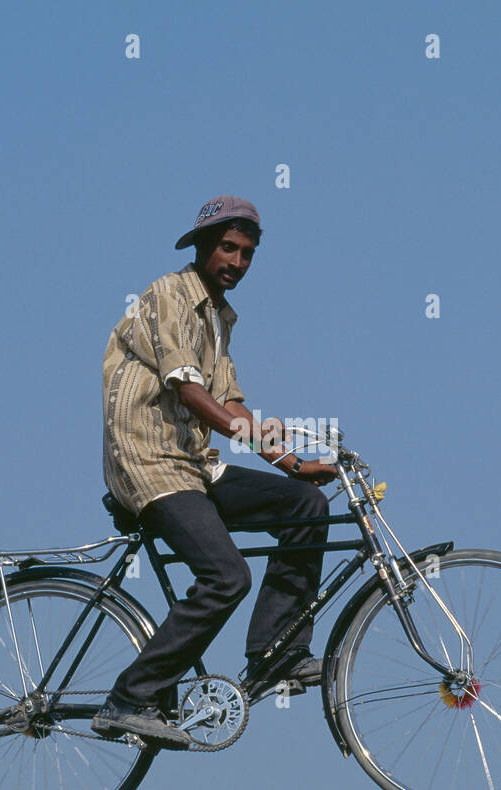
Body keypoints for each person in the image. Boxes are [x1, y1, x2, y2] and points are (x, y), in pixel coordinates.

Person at [93, 196, 340, 749]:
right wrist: (249, 436)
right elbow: (192, 392)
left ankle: (278, 653)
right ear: (201, 246)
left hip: (195, 468)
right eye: (228, 247)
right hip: (150, 464)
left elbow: (233, 405)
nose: (237, 260)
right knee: (227, 577)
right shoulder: (168, 296)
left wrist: (294, 463)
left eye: (247, 252)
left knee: (305, 505)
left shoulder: (220, 318)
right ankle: (128, 699)